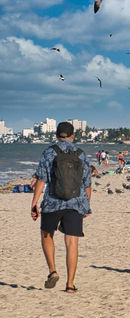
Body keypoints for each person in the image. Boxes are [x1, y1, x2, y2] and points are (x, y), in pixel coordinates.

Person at [30, 121, 92, 293]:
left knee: (46, 235)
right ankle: (70, 285)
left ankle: (53, 271)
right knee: (72, 242)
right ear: (73, 136)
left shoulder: (49, 152)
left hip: (52, 202)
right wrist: (86, 205)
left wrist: (34, 203)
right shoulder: (81, 154)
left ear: (56, 135)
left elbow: (42, 179)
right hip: (75, 203)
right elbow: (87, 182)